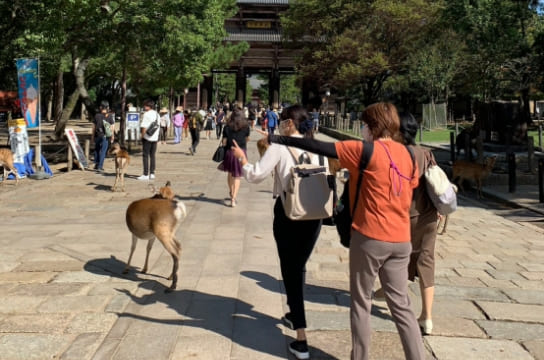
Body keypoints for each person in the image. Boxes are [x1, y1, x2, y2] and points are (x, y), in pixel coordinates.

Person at [260, 102, 424, 360]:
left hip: (370, 237)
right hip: (402, 239)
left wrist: (276, 138)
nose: (362, 129)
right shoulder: (411, 155)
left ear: (371, 127)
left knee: (361, 303)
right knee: (402, 306)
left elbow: (318, 146)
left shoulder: (365, 150)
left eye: (364, 125)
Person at [231, 104, 328, 360]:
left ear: (288, 124)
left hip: (289, 211)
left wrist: (242, 159)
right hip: (315, 213)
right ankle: (294, 313)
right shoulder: (317, 146)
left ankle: (301, 339)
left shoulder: (280, 146)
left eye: (283, 120)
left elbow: (256, 175)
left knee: (290, 269)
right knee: (300, 265)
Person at [220, 109, 250, 207]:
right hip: (241, 152)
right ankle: (233, 198)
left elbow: (224, 142)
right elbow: (247, 139)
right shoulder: (246, 127)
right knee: (237, 176)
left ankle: (231, 191)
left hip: (229, 152)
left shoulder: (227, 127)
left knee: (230, 173)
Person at [138, 99, 160, 180]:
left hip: (147, 138)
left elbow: (144, 127)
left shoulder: (146, 114)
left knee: (145, 155)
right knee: (152, 155)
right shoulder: (157, 114)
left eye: (145, 105)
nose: (144, 107)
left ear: (148, 106)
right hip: (155, 138)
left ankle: (145, 174)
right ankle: (152, 173)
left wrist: (142, 136)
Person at [91, 100, 114, 171]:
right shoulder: (110, 116)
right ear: (107, 107)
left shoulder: (97, 116)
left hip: (97, 135)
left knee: (97, 149)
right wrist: (112, 137)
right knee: (103, 151)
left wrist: (92, 137)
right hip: (105, 136)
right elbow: (112, 128)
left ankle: (96, 164)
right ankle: (100, 166)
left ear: (100, 107)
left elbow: (93, 128)